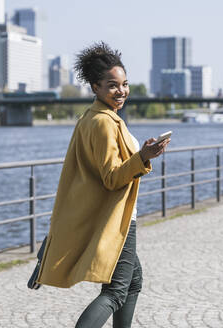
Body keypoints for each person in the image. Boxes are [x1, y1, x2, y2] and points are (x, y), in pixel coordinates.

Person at [34, 42, 170, 327]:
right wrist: (143, 157)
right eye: (112, 85)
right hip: (115, 219)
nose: (121, 91)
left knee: (132, 282)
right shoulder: (104, 122)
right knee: (117, 291)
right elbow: (111, 177)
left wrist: (140, 154)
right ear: (96, 87)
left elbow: (107, 169)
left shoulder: (95, 117)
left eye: (124, 84)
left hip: (113, 215)